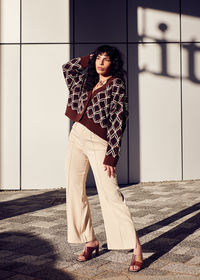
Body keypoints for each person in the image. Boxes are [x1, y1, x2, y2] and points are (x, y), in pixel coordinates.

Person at [62, 45, 143, 272]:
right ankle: (90, 240)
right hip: (77, 137)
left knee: (111, 194)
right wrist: (89, 57)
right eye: (99, 58)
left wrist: (112, 154)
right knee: (74, 190)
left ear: (113, 64)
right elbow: (67, 68)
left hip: (100, 143)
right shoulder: (86, 82)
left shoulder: (116, 85)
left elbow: (119, 120)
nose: (101, 62)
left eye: (106, 59)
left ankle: (136, 248)